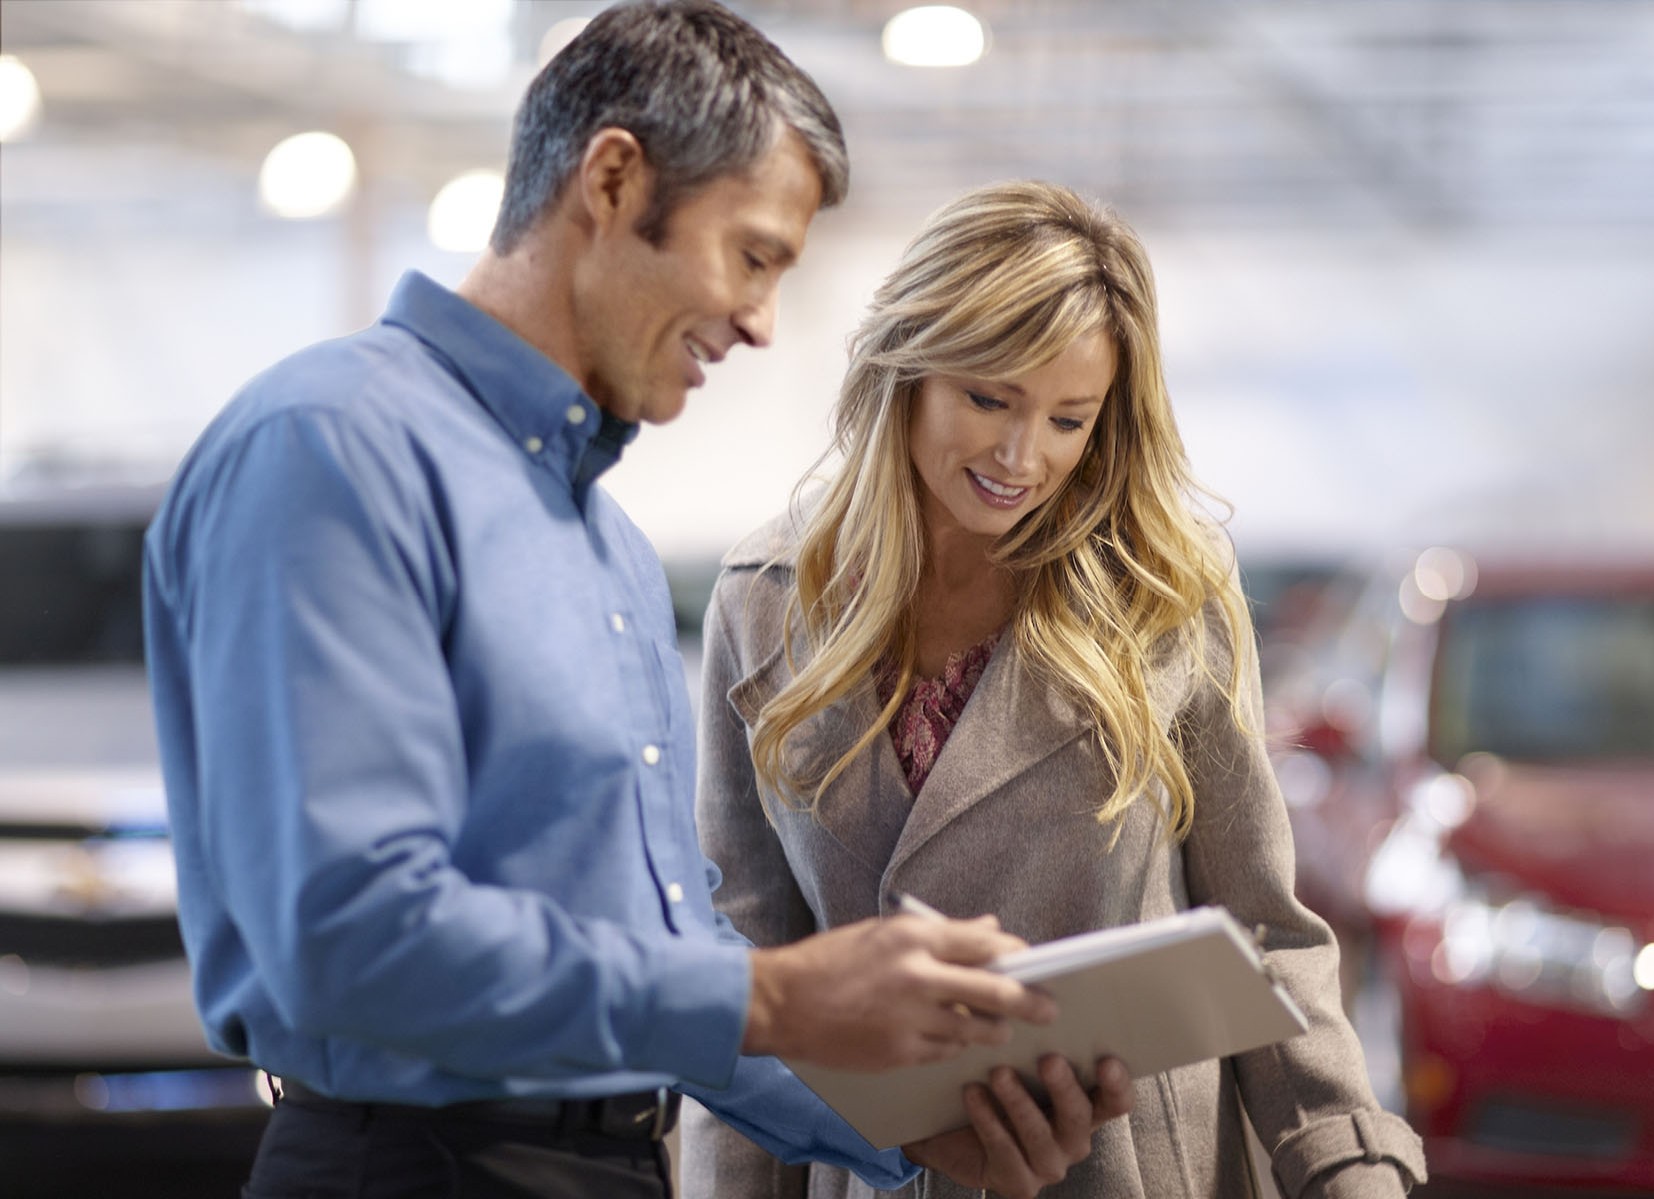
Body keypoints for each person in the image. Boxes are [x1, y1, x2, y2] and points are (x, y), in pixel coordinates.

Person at [141, 6, 1128, 1196]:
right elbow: (348, 934)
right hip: (409, 1166)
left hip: (605, 1162)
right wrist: (776, 993)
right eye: (752, 256)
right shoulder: (333, 450)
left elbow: (665, 952)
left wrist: (908, 1131)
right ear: (611, 181)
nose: (761, 322)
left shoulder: (604, 545)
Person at [684, 181, 1429, 1199]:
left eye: (1068, 419)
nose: (1020, 457)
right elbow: (748, 964)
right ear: (906, 366)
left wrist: (1348, 1162)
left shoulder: (1163, 590)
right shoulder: (766, 599)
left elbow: (1262, 926)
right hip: (879, 1173)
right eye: (989, 399)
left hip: (1129, 1166)